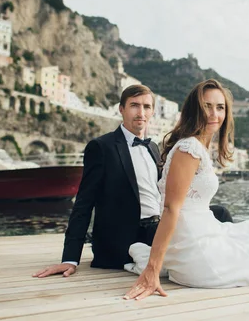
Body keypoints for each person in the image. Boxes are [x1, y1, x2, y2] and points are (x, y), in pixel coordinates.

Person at [123, 79, 249, 300]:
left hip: (205, 235)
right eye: (207, 106)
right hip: (199, 253)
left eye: (220, 107)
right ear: (194, 108)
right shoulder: (189, 148)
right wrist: (152, 269)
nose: (214, 114)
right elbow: (170, 209)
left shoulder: (197, 146)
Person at [33, 84, 232, 278]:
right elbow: (83, 203)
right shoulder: (102, 147)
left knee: (219, 213)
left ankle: (223, 263)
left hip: (159, 224)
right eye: (134, 105)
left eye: (147, 107)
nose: (141, 113)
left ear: (153, 111)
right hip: (127, 234)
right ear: (121, 109)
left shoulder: (153, 148)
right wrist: (70, 258)